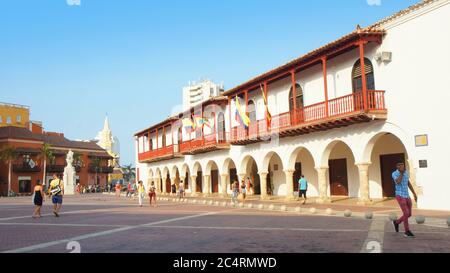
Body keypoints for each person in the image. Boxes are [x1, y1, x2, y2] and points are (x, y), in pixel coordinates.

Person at [392, 162, 418, 238]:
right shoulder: (394, 174)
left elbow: (408, 183)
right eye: (399, 165)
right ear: (396, 166)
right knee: (406, 213)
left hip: (407, 195)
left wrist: (414, 193)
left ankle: (396, 222)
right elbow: (398, 182)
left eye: (402, 164)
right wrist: (401, 173)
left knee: (409, 214)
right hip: (399, 195)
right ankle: (407, 231)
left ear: (404, 165)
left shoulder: (406, 172)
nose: (401, 166)